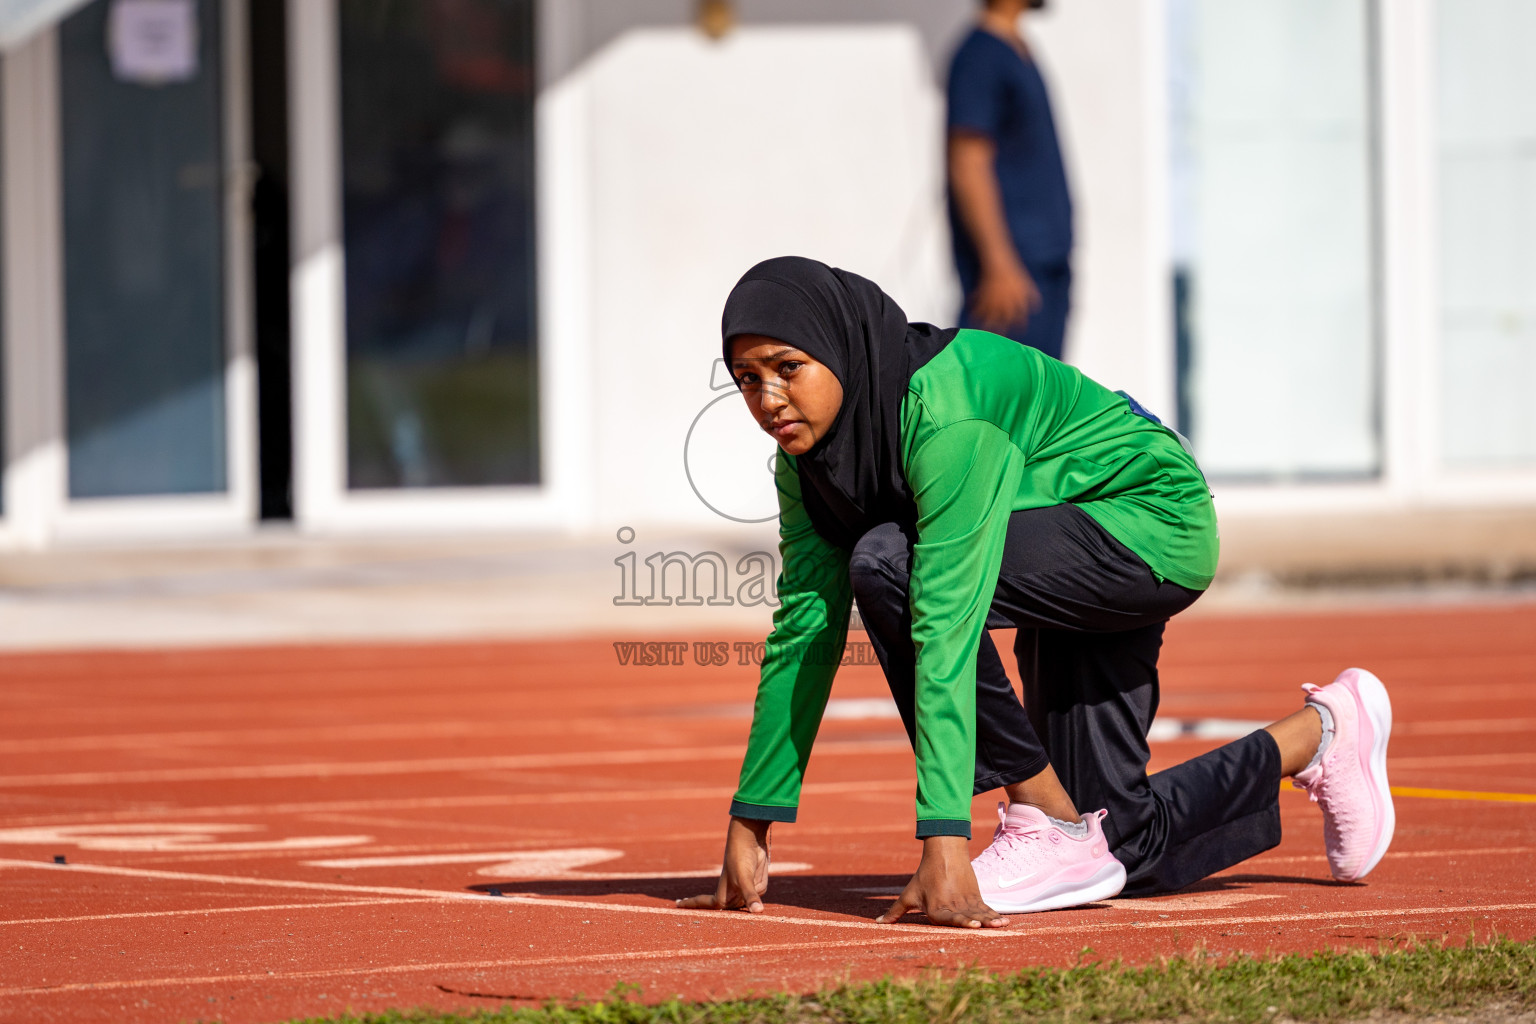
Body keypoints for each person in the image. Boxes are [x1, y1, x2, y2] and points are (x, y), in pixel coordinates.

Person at [679, 256, 1394, 929]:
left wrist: (945, 839)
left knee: (890, 565)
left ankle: (1044, 817)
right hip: (1052, 534)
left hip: (1147, 521)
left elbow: (945, 619)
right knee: (1120, 846)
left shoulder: (946, 412)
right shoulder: (805, 464)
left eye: (787, 368)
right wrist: (752, 822)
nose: (767, 398)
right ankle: (1324, 732)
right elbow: (805, 626)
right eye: (745, 378)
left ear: (840, 347)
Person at [947, 0, 1073, 359]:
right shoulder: (981, 56)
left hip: (1044, 268)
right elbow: (968, 161)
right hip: (1013, 276)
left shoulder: (1016, 48)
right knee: (998, 402)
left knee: (1043, 405)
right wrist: (999, 264)